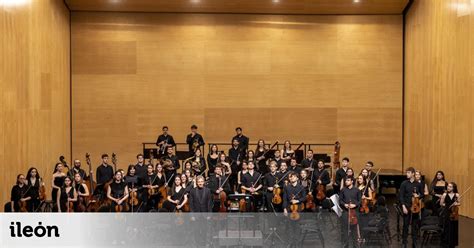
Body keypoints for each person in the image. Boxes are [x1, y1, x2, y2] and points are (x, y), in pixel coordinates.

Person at [399, 167, 424, 247]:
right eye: (407, 172)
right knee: (405, 225)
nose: (407, 174)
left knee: (414, 225)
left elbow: (422, 194)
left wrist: (418, 196)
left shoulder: (418, 184)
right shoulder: (404, 183)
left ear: (413, 173)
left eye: (408, 173)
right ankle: (404, 241)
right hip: (406, 206)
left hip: (415, 207)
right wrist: (403, 206)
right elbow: (401, 196)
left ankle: (414, 241)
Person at [339, 176, 361, 248]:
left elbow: (359, 201)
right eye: (346, 180)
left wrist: (354, 205)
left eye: (348, 180)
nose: (346, 182)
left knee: (354, 229)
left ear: (352, 181)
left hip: (354, 212)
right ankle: (346, 245)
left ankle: (355, 245)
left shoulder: (357, 190)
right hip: (345, 212)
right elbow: (340, 201)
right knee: (345, 230)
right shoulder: (343, 190)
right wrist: (344, 204)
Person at [440, 182, 460, 248]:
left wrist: (455, 204)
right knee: (447, 227)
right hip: (447, 212)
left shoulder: (456, 195)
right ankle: (446, 242)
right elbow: (441, 204)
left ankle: (453, 243)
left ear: (453, 188)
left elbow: (459, 203)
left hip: (454, 212)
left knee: (453, 227)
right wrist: (447, 205)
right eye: (448, 186)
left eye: (450, 186)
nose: (448, 187)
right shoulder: (444, 194)